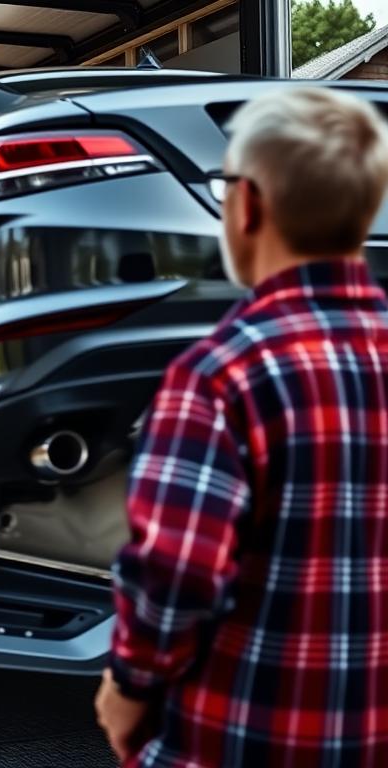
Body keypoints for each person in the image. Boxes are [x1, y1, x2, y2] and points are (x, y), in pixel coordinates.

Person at [96, 87, 388, 766]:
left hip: (242, 739)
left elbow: (176, 574)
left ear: (248, 205)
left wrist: (129, 685)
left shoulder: (220, 377)